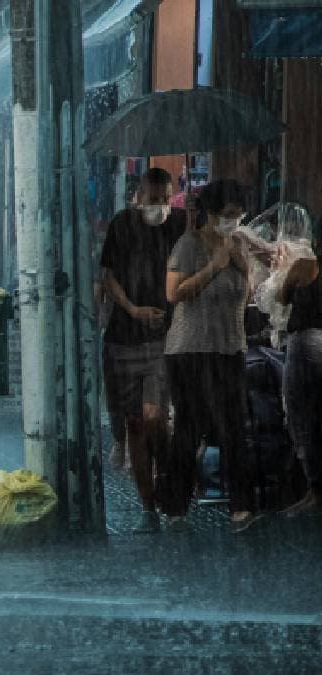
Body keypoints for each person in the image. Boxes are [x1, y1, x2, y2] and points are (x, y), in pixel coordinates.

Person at [164, 179, 262, 533]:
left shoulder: (238, 243)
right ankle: (175, 505)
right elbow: (174, 293)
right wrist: (214, 266)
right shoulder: (188, 244)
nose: (233, 221)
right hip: (191, 349)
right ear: (211, 213)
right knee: (190, 428)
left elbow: (244, 294)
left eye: (238, 215)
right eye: (228, 215)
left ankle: (242, 507)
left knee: (235, 427)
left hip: (230, 347)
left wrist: (241, 264)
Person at [99, 168, 186, 533]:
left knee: (155, 417)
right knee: (136, 422)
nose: (160, 207)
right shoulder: (122, 224)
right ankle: (147, 504)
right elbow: (107, 276)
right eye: (153, 200)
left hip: (165, 338)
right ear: (138, 197)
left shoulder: (181, 222)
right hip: (124, 336)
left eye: (166, 198)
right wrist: (133, 310)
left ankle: (169, 482)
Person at [277, 216, 322, 517]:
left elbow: (281, 296)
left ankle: (315, 490)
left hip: (308, 342)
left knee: (301, 414)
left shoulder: (306, 266)